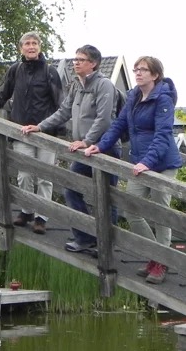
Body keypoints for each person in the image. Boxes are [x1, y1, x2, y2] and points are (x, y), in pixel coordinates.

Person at [85, 56, 182, 284]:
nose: (138, 73)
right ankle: (155, 255)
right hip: (140, 162)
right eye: (136, 69)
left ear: (155, 75)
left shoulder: (163, 99)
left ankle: (161, 262)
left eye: (143, 70)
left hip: (163, 165)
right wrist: (100, 145)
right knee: (131, 209)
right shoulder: (133, 96)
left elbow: (162, 135)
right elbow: (119, 124)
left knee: (160, 213)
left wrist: (147, 162)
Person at [21, 45, 121, 252]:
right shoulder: (77, 85)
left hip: (104, 149)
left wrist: (87, 141)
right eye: (75, 59)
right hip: (85, 152)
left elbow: (104, 120)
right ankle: (85, 237)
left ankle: (107, 245)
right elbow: (63, 112)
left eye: (81, 59)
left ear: (93, 63)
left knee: (106, 198)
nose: (76, 62)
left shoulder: (104, 86)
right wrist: (40, 126)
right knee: (71, 189)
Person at [0, 32, 63, 234]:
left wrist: (56, 130)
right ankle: (26, 211)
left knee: (44, 177)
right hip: (21, 130)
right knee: (24, 175)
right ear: (21, 48)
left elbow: (60, 103)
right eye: (27, 44)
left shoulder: (50, 72)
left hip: (45, 132)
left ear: (40, 47)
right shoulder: (16, 69)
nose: (31, 47)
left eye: (34, 44)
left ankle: (42, 217)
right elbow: (3, 92)